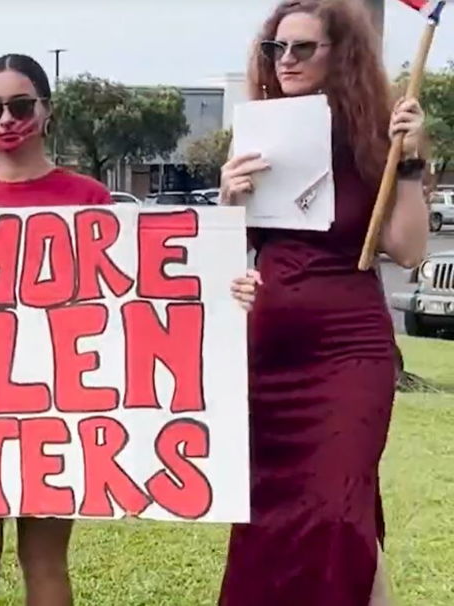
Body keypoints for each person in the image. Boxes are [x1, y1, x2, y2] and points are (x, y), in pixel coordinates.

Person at [0, 53, 261, 606]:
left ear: (47, 112)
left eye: (21, 105)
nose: (7, 119)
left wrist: (225, 287)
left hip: (63, 404)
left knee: (43, 557)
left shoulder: (88, 197)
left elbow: (141, 292)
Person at [218, 1, 427, 605]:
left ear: (343, 56)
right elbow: (237, 255)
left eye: (302, 48)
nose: (285, 60)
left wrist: (409, 162)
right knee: (271, 517)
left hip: (348, 351)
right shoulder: (260, 131)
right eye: (275, 49)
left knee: (339, 506)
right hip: (270, 355)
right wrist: (230, 202)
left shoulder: (374, 130)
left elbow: (409, 250)